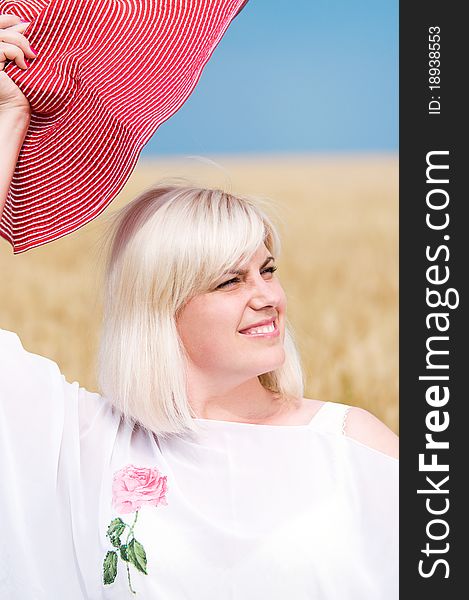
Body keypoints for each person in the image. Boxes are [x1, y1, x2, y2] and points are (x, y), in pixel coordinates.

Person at [0, 17, 398, 600]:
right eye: (227, 281)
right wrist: (10, 113)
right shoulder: (85, 445)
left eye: (266, 269)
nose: (266, 295)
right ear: (160, 307)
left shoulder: (348, 444)